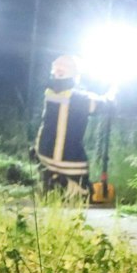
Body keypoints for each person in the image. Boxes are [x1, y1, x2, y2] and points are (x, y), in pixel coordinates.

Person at [35, 54, 96, 195]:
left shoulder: (49, 93)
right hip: (70, 161)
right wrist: (114, 92)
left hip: (45, 155)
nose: (60, 68)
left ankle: (52, 183)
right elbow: (104, 104)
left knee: (49, 189)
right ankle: (65, 185)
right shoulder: (79, 98)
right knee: (84, 193)